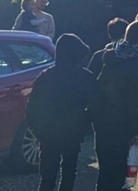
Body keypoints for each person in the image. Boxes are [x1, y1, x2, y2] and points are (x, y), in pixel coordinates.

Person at [25, 33, 97, 191]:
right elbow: (96, 106)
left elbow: (32, 109)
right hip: (72, 132)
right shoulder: (85, 76)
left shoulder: (45, 76)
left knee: (47, 177)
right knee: (69, 173)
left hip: (48, 134)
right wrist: (84, 123)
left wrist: (39, 131)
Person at [91, 20, 138, 191]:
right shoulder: (137, 65)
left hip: (101, 120)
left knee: (105, 171)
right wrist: (136, 131)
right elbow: (135, 101)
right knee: (118, 174)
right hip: (121, 124)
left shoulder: (106, 57)